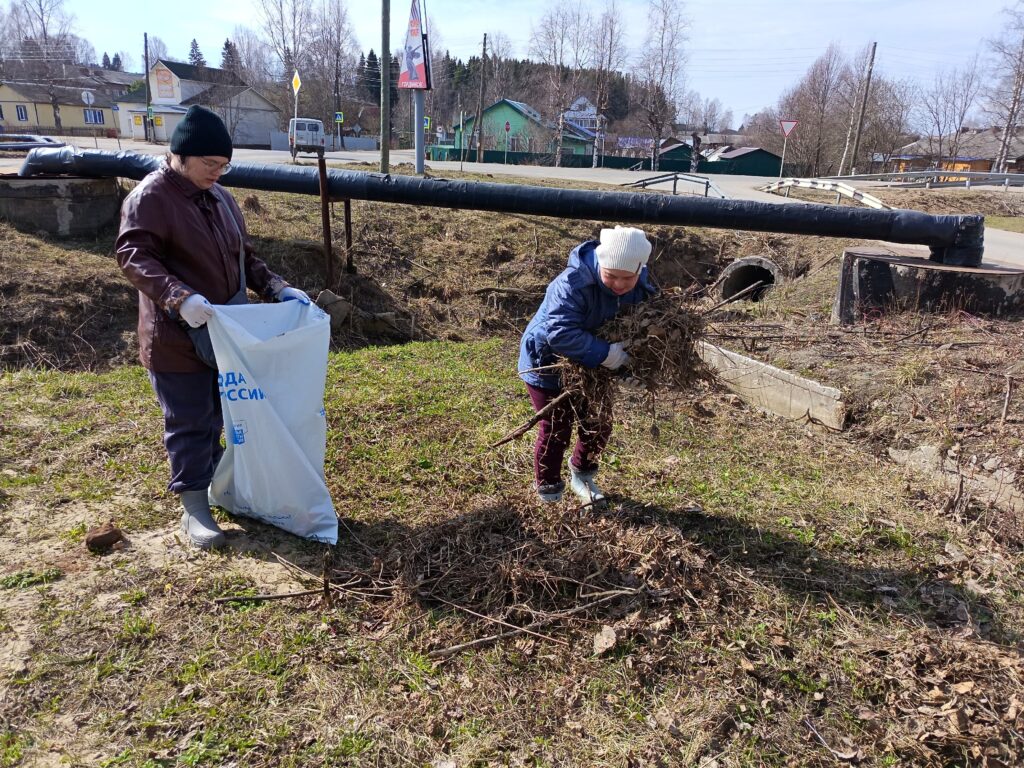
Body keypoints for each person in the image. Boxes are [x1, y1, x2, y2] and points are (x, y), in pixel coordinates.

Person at [116, 105, 310, 549]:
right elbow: (133, 256)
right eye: (210, 164)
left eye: (224, 166)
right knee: (189, 420)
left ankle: (221, 486)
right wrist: (179, 298)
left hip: (223, 335)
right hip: (174, 339)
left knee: (223, 414)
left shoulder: (219, 198)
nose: (217, 173)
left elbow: (245, 256)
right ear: (180, 155)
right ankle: (194, 510)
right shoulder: (150, 199)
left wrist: (277, 288)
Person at [518, 225, 657, 505]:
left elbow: (647, 326)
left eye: (626, 278)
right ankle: (549, 491)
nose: (618, 284)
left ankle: (582, 474)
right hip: (548, 363)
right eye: (611, 276)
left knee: (598, 423)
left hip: (593, 366)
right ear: (601, 264)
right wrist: (608, 354)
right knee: (556, 427)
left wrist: (631, 368)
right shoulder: (572, 283)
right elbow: (559, 334)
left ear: (640, 270)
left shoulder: (641, 284)